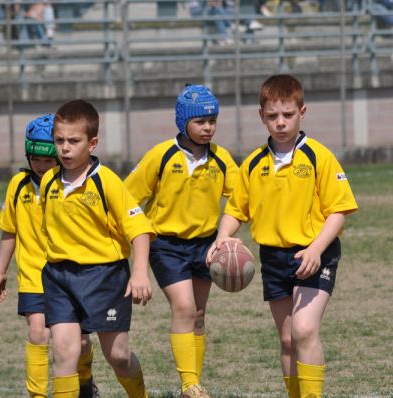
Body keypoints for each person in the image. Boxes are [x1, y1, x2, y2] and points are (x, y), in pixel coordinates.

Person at [206, 74, 358, 398]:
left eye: (288, 114)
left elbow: (339, 210)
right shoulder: (253, 163)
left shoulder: (319, 157)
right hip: (273, 258)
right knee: (288, 339)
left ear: (303, 112)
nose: (280, 123)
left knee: (304, 330)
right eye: (272, 116)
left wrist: (317, 249)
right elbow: (236, 210)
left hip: (315, 253)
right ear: (262, 116)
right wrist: (222, 236)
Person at [124, 85, 238, 398]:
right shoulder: (160, 156)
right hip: (166, 245)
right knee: (184, 307)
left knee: (198, 315)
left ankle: (194, 382)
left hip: (205, 245)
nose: (208, 127)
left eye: (212, 121)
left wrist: (229, 238)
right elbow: (127, 199)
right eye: (200, 121)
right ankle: (189, 385)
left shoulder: (222, 159)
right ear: (182, 121)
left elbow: (242, 199)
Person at [40, 99, 155, 397]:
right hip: (59, 276)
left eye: (73, 141)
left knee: (118, 356)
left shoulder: (107, 183)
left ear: (92, 143)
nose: (65, 148)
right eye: (59, 140)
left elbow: (140, 229)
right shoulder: (49, 182)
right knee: (64, 353)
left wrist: (140, 273)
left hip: (105, 277)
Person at [0, 113, 100, 398]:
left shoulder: (72, 185)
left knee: (81, 344)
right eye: (35, 159)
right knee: (38, 333)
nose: (41, 166)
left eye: (48, 161)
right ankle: (37, 394)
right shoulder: (18, 186)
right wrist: (0, 272)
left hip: (72, 276)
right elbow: (9, 231)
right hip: (33, 275)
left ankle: (85, 381)